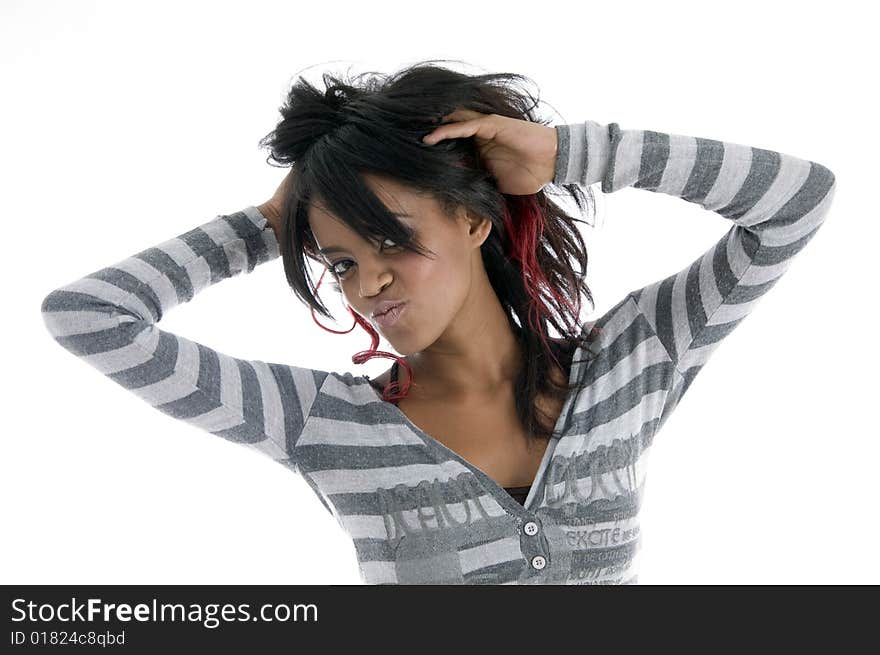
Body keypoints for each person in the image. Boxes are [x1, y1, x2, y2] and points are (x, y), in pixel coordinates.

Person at [40, 60, 837, 585]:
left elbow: (797, 201)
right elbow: (89, 317)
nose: (368, 280)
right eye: (340, 260)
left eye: (391, 236)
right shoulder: (322, 424)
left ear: (474, 218)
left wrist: (571, 152)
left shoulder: (632, 362)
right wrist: (269, 222)